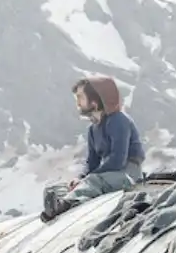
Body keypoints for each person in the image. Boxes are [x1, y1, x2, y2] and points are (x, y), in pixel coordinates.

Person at [43, 76, 145, 218]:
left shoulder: (119, 121)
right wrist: (80, 177)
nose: (78, 103)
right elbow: (92, 162)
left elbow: (118, 160)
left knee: (92, 182)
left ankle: (66, 204)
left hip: (127, 175)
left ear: (95, 101)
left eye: (80, 97)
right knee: (60, 188)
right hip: (108, 176)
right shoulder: (93, 129)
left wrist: (88, 178)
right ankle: (59, 204)